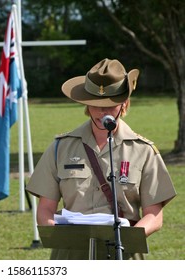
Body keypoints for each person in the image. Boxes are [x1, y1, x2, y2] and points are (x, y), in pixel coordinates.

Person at [26, 58, 177, 260]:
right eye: (95, 104)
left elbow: (154, 215)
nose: (102, 111)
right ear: (86, 104)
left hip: (123, 255)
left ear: (124, 103)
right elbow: (45, 208)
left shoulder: (144, 151)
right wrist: (59, 234)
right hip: (71, 255)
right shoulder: (60, 147)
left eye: (110, 104)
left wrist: (128, 238)